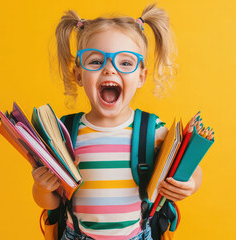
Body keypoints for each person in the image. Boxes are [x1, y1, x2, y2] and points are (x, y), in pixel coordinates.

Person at [31, 4, 203, 240]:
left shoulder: (151, 130)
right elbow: (50, 202)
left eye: (125, 63)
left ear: (141, 76)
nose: (110, 70)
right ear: (78, 75)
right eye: (95, 61)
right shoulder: (64, 133)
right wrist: (42, 187)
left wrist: (190, 182)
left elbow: (190, 165)